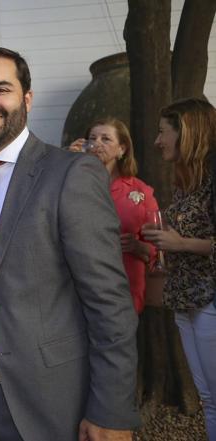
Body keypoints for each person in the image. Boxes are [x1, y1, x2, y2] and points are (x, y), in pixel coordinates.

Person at [0, 47, 139, 441]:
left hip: (47, 401)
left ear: (27, 99)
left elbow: (109, 303)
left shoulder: (71, 174)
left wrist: (110, 408)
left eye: (1, 88)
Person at [143, 97, 216, 441]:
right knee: (208, 400)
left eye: (162, 132)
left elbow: (188, 240)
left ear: (186, 132)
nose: (157, 141)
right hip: (184, 299)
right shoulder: (185, 180)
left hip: (210, 301)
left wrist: (181, 244)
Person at [68, 118, 159, 313]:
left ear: (122, 149)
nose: (97, 144)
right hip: (81, 284)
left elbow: (158, 246)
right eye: (92, 138)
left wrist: (139, 246)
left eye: (106, 139)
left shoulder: (141, 191)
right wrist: (67, 164)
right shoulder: (73, 184)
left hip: (124, 286)